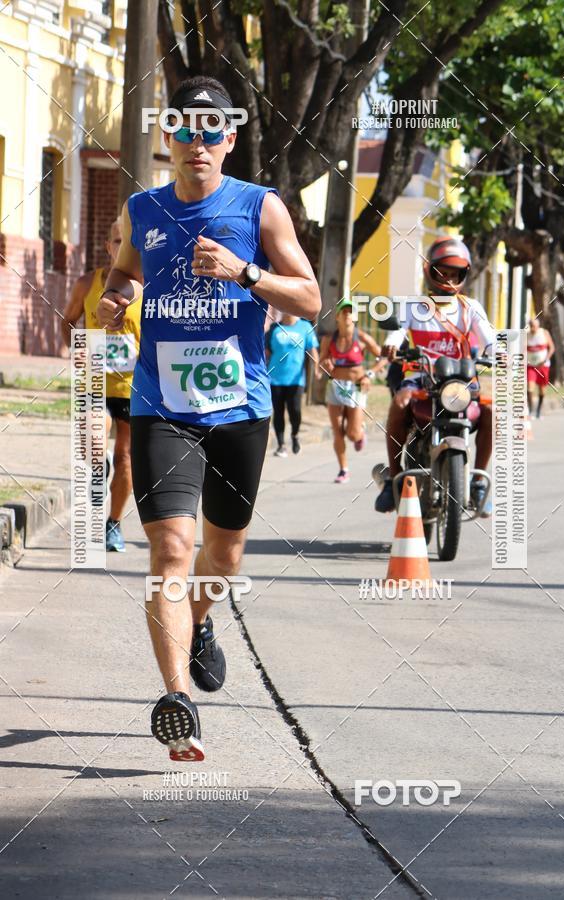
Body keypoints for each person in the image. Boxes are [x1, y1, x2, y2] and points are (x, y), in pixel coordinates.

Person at [96, 76, 320, 761]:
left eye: (211, 130)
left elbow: (310, 297)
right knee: (169, 551)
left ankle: (199, 625)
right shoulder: (141, 208)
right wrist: (116, 296)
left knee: (222, 557)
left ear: (229, 138)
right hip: (162, 404)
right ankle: (177, 702)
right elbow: (123, 275)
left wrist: (244, 273)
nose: (198, 141)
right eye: (184, 130)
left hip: (240, 408)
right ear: (169, 138)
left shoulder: (262, 208)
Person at [375, 236, 495, 516]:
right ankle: (393, 477)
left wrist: (501, 353)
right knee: (399, 404)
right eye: (444, 273)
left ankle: (478, 479)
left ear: (463, 275)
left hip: (460, 384)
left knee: (491, 411)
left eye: (455, 275)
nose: (449, 280)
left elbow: (490, 339)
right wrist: (392, 343)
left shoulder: (471, 309)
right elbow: (398, 330)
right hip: (419, 381)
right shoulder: (415, 307)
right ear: (431, 272)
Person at [61, 218, 142, 552]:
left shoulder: (146, 287)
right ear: (108, 247)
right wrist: (76, 349)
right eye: (116, 241)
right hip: (94, 376)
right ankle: (99, 463)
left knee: (126, 458)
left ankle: (114, 523)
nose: (122, 247)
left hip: (135, 386)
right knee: (96, 442)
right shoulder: (88, 283)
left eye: (128, 243)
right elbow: (68, 320)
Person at [317, 299, 383, 483]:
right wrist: (326, 364)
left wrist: (369, 374)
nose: (347, 315)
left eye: (350, 312)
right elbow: (321, 361)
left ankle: (360, 432)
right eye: (344, 312)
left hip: (356, 388)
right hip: (336, 387)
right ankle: (343, 470)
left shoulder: (362, 338)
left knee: (352, 435)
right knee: (337, 431)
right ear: (337, 317)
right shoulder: (329, 339)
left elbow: (383, 357)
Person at [265, 313, 319, 456]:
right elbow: (266, 352)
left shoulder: (305, 326)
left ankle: (295, 435)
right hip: (275, 378)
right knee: (278, 411)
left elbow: (312, 349)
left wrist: (317, 369)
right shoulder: (274, 328)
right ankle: (281, 444)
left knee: (295, 410)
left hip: (296, 379)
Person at [527, 316, 554, 418]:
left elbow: (552, 348)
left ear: (538, 326)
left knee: (542, 389)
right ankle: (531, 410)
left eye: (534, 326)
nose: (532, 328)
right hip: (531, 365)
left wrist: (546, 359)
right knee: (530, 388)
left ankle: (538, 410)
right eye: (531, 326)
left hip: (543, 365)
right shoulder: (527, 335)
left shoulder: (544, 333)